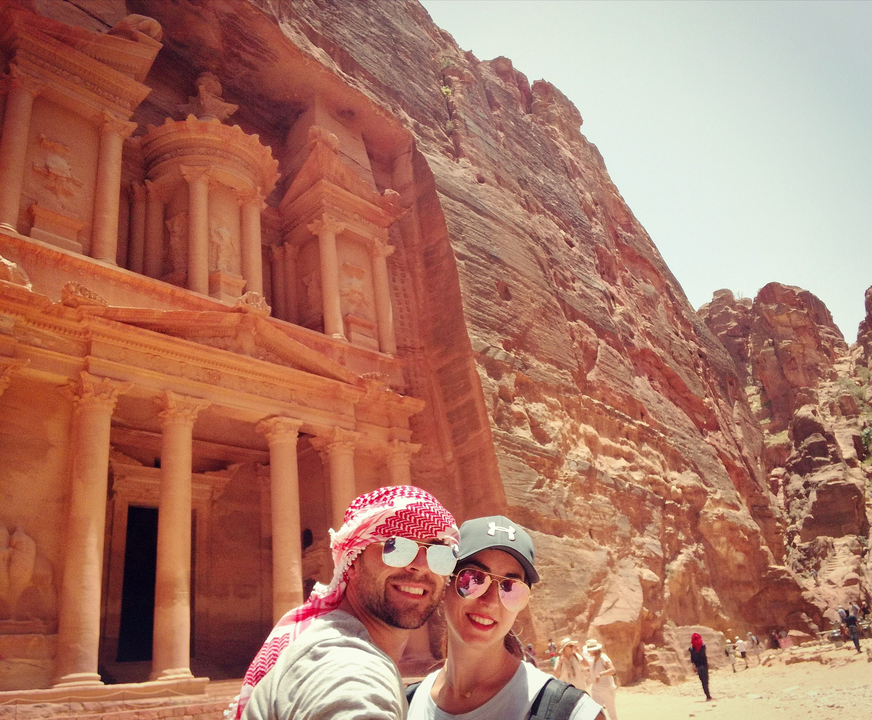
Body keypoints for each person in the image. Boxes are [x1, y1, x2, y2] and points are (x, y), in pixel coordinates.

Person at [232, 485, 460, 720]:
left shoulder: (324, 639)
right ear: (351, 563)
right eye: (397, 546)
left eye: (440, 553)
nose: (422, 565)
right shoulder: (345, 666)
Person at [406, 515, 605, 720]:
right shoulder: (405, 705)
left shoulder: (572, 712)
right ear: (445, 582)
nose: (491, 601)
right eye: (473, 578)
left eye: (510, 588)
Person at [582, 639, 618, 719]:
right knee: (595, 711)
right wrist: (587, 670)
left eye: (589, 650)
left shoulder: (603, 658)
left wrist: (601, 674)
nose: (588, 652)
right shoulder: (593, 659)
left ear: (594, 650)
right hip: (596, 689)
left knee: (611, 711)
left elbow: (612, 670)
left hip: (606, 689)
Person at [688, 633, 712, 701]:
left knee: (702, 681)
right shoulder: (703, 646)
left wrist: (694, 668)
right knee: (706, 680)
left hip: (698, 666)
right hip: (704, 665)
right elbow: (704, 655)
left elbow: (692, 659)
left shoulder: (691, 649)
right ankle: (708, 696)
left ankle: (707, 695)